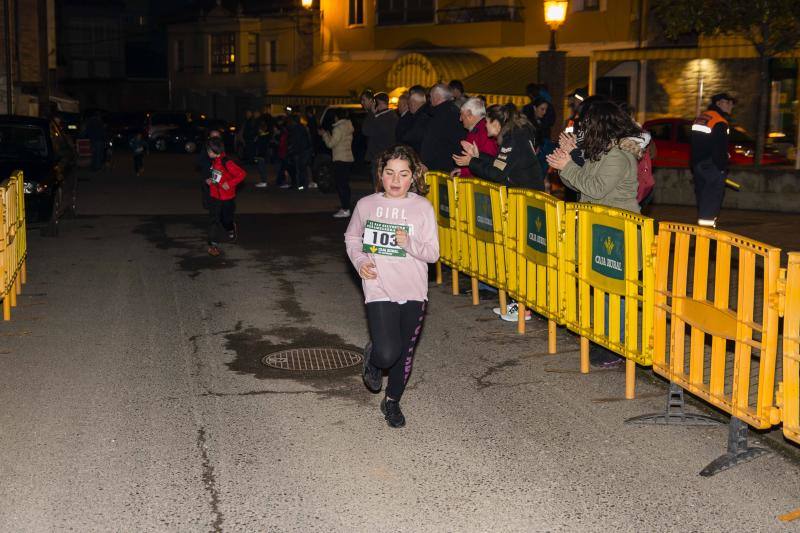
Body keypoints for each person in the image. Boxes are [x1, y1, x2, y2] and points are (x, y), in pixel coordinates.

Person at [344, 145, 439, 428]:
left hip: (413, 290)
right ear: (380, 174)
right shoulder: (366, 205)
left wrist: (408, 243)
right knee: (387, 353)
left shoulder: (422, 208)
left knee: (403, 353)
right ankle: (374, 358)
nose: (396, 180)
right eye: (390, 173)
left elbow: (433, 253)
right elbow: (352, 237)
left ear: (413, 176)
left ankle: (392, 401)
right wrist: (360, 261)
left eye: (403, 174)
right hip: (378, 286)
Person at [546, 100, 642, 368]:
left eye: (586, 125)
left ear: (599, 126)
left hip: (618, 232)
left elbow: (596, 188)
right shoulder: (602, 152)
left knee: (616, 291)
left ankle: (617, 345)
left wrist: (568, 164)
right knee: (601, 286)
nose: (582, 130)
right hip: (601, 229)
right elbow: (578, 185)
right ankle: (604, 338)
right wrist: (568, 161)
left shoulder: (618, 156)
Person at [452, 103, 543, 190]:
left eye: (486, 122)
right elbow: (499, 164)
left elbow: (497, 174)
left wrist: (471, 162)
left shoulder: (512, 138)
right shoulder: (513, 135)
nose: (485, 125)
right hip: (526, 192)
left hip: (527, 194)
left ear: (495, 123)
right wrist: (478, 155)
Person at [690, 92, 735, 227]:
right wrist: (722, 167)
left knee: (703, 197)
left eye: (732, 103)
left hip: (698, 164)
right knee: (712, 198)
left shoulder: (701, 117)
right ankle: (707, 231)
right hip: (712, 165)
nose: (731, 106)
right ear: (719, 103)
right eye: (728, 102)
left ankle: (703, 227)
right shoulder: (720, 121)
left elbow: (694, 142)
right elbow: (719, 147)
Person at [205, 137, 246, 257]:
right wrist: (211, 181)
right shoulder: (214, 161)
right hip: (215, 197)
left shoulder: (226, 162)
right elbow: (217, 177)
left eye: (209, 150)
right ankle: (213, 245)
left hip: (227, 198)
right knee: (214, 220)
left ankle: (231, 227)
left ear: (216, 150)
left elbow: (242, 174)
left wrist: (230, 183)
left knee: (226, 220)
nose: (208, 153)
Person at [420, 83, 465, 173]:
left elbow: (432, 142)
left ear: (437, 97)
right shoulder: (455, 111)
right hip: (451, 164)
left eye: (431, 96)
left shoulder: (439, 115)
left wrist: (426, 163)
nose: (430, 100)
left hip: (438, 167)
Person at [320, 108, 354, 218]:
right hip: (348, 158)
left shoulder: (338, 128)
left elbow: (330, 144)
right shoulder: (348, 126)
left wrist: (324, 134)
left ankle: (345, 209)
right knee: (345, 184)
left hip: (340, 159)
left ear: (337, 117)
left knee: (341, 185)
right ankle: (346, 206)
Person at [453, 97, 498, 178]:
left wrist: (466, 172)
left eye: (461, 114)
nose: (460, 119)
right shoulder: (477, 129)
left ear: (469, 114)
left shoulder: (485, 131)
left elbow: (489, 164)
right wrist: (463, 171)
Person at [362, 92, 398, 186]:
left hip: (379, 156)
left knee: (379, 185)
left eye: (374, 102)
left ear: (379, 103)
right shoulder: (392, 116)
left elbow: (366, 130)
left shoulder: (382, 118)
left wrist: (371, 113)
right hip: (386, 156)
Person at [397, 85, 429, 154]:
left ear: (414, 103)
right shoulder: (426, 113)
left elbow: (410, 137)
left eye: (409, 104)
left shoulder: (421, 117)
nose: (409, 106)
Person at [287, 113, 312, 190]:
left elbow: (296, 141)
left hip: (301, 151)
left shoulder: (296, 129)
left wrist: (293, 150)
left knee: (300, 168)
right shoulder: (302, 128)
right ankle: (303, 184)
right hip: (304, 149)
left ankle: (301, 185)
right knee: (303, 168)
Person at [254, 119, 272, 188]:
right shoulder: (263, 136)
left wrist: (258, 155)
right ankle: (263, 181)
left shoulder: (263, 137)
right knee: (261, 168)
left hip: (261, 155)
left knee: (262, 168)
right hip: (261, 155)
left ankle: (264, 182)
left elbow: (261, 147)